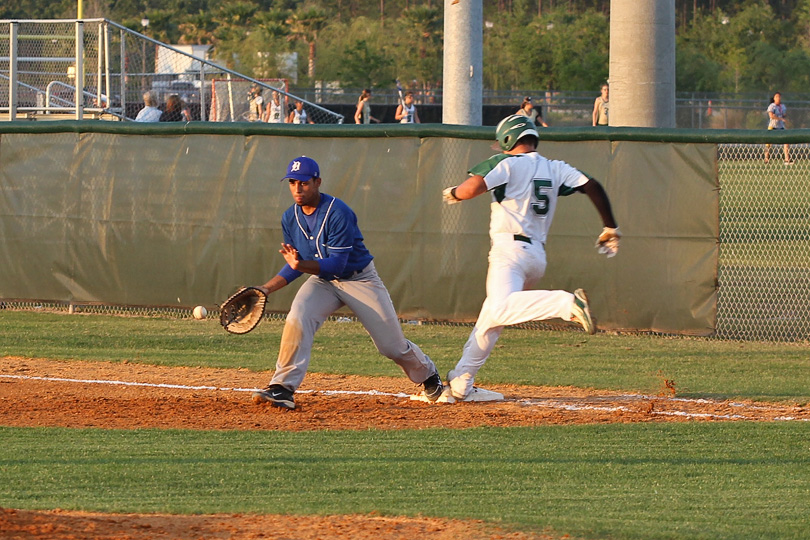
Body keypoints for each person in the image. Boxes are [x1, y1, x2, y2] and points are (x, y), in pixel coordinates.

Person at [440, 114, 620, 402]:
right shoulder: (554, 167)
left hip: (509, 252)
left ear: (508, 139)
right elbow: (592, 186)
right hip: (536, 255)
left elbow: (472, 187)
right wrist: (610, 226)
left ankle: (566, 303)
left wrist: (454, 193)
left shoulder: (508, 163)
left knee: (498, 310)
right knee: (492, 317)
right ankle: (462, 381)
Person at [251, 156, 444, 409]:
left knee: (391, 347)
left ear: (317, 182)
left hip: (359, 279)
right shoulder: (290, 217)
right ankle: (282, 388)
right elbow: (296, 262)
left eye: (304, 183)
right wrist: (267, 288)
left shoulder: (338, 213)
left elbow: (337, 264)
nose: (297, 188)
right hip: (322, 281)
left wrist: (300, 265)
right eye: (292, 183)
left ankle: (427, 373)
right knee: (297, 318)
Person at [765, 92, 792, 165]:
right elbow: (771, 116)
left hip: (780, 127)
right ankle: (766, 159)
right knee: (768, 143)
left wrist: (784, 117)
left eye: (779, 97)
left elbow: (784, 115)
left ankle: (787, 159)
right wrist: (780, 118)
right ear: (774, 98)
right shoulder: (772, 106)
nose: (778, 98)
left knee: (786, 141)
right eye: (776, 97)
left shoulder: (782, 106)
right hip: (773, 126)